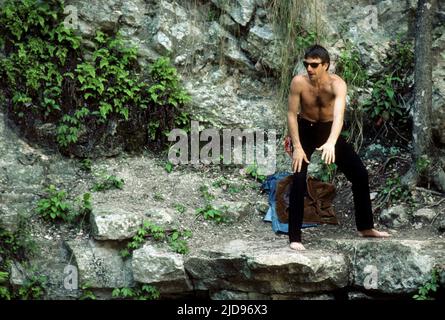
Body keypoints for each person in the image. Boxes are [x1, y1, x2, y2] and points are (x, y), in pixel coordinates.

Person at [287, 44, 390, 251]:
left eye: (314, 65)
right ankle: (294, 237)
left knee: (359, 174)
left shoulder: (337, 84)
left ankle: (365, 227)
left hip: (328, 130)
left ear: (325, 65)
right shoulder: (298, 83)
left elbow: (339, 116)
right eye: (306, 64)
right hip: (305, 129)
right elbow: (291, 114)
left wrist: (331, 142)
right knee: (298, 178)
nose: (309, 69)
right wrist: (297, 145)